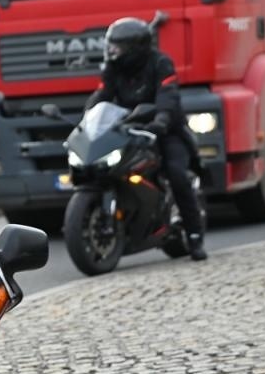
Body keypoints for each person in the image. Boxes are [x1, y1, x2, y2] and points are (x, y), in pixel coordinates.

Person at [85, 16, 207, 261]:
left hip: (166, 130)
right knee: (105, 168)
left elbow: (168, 94)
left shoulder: (161, 63)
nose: (112, 52)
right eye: (111, 46)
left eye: (117, 47)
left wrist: (161, 120)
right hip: (128, 128)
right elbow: (102, 95)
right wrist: (88, 117)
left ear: (134, 48)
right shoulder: (113, 69)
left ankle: (194, 235)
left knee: (176, 174)